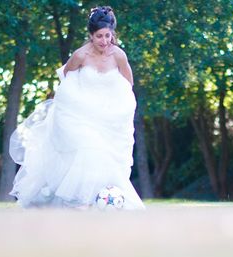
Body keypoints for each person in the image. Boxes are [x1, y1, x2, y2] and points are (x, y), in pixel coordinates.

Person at [9, 6, 144, 210]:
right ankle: (80, 202)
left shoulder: (118, 55)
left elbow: (128, 84)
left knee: (103, 158)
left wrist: (114, 109)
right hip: (79, 116)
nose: (104, 41)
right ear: (91, 35)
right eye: (99, 36)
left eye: (108, 36)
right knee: (88, 150)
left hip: (107, 117)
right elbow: (66, 77)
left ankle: (96, 200)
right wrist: (78, 104)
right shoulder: (80, 55)